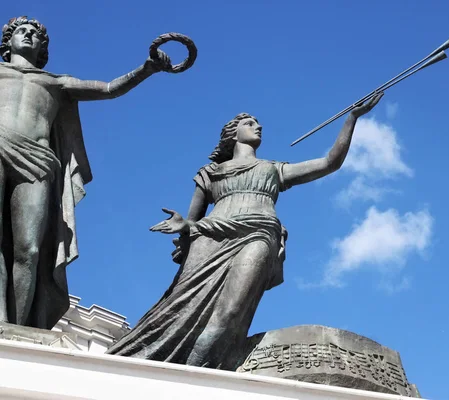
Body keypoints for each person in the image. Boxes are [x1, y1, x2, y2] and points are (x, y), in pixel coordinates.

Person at [107, 92, 384, 369]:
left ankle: (194, 375)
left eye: (257, 123)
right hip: (210, 237)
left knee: (230, 312)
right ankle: (164, 373)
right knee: (181, 307)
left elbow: (329, 163)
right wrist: (184, 225)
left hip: (259, 234)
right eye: (250, 123)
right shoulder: (209, 173)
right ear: (233, 133)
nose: (258, 126)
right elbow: (193, 222)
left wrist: (352, 118)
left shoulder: (272, 169)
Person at [0, 16, 170, 328]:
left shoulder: (55, 82)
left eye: (35, 34)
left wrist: (147, 70)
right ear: (6, 41)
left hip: (38, 160)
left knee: (30, 249)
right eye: (20, 31)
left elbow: (108, 89)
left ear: (42, 47)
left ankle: (19, 331)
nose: (27, 35)